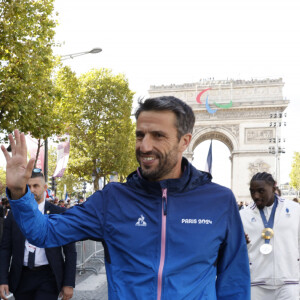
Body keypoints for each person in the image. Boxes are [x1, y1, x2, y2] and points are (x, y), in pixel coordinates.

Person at [1, 96, 250, 299]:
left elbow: (234, 280)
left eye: (158, 136)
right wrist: (18, 193)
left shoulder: (219, 200)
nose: (144, 146)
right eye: (140, 135)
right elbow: (43, 233)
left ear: (184, 141)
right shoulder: (112, 199)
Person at [0, 170, 77, 300]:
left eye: (36, 186)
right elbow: (5, 249)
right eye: (28, 187)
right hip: (21, 277)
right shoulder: (14, 215)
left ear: (45, 188)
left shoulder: (59, 214)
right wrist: (3, 279)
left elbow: (70, 251)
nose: (32, 190)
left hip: (49, 277)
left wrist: (68, 283)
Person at [240, 172, 300, 300]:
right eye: (252, 191)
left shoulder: (295, 210)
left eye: (261, 191)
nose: (256, 196)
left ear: (273, 188)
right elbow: (234, 248)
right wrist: (240, 243)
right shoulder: (243, 215)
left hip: (289, 282)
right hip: (256, 283)